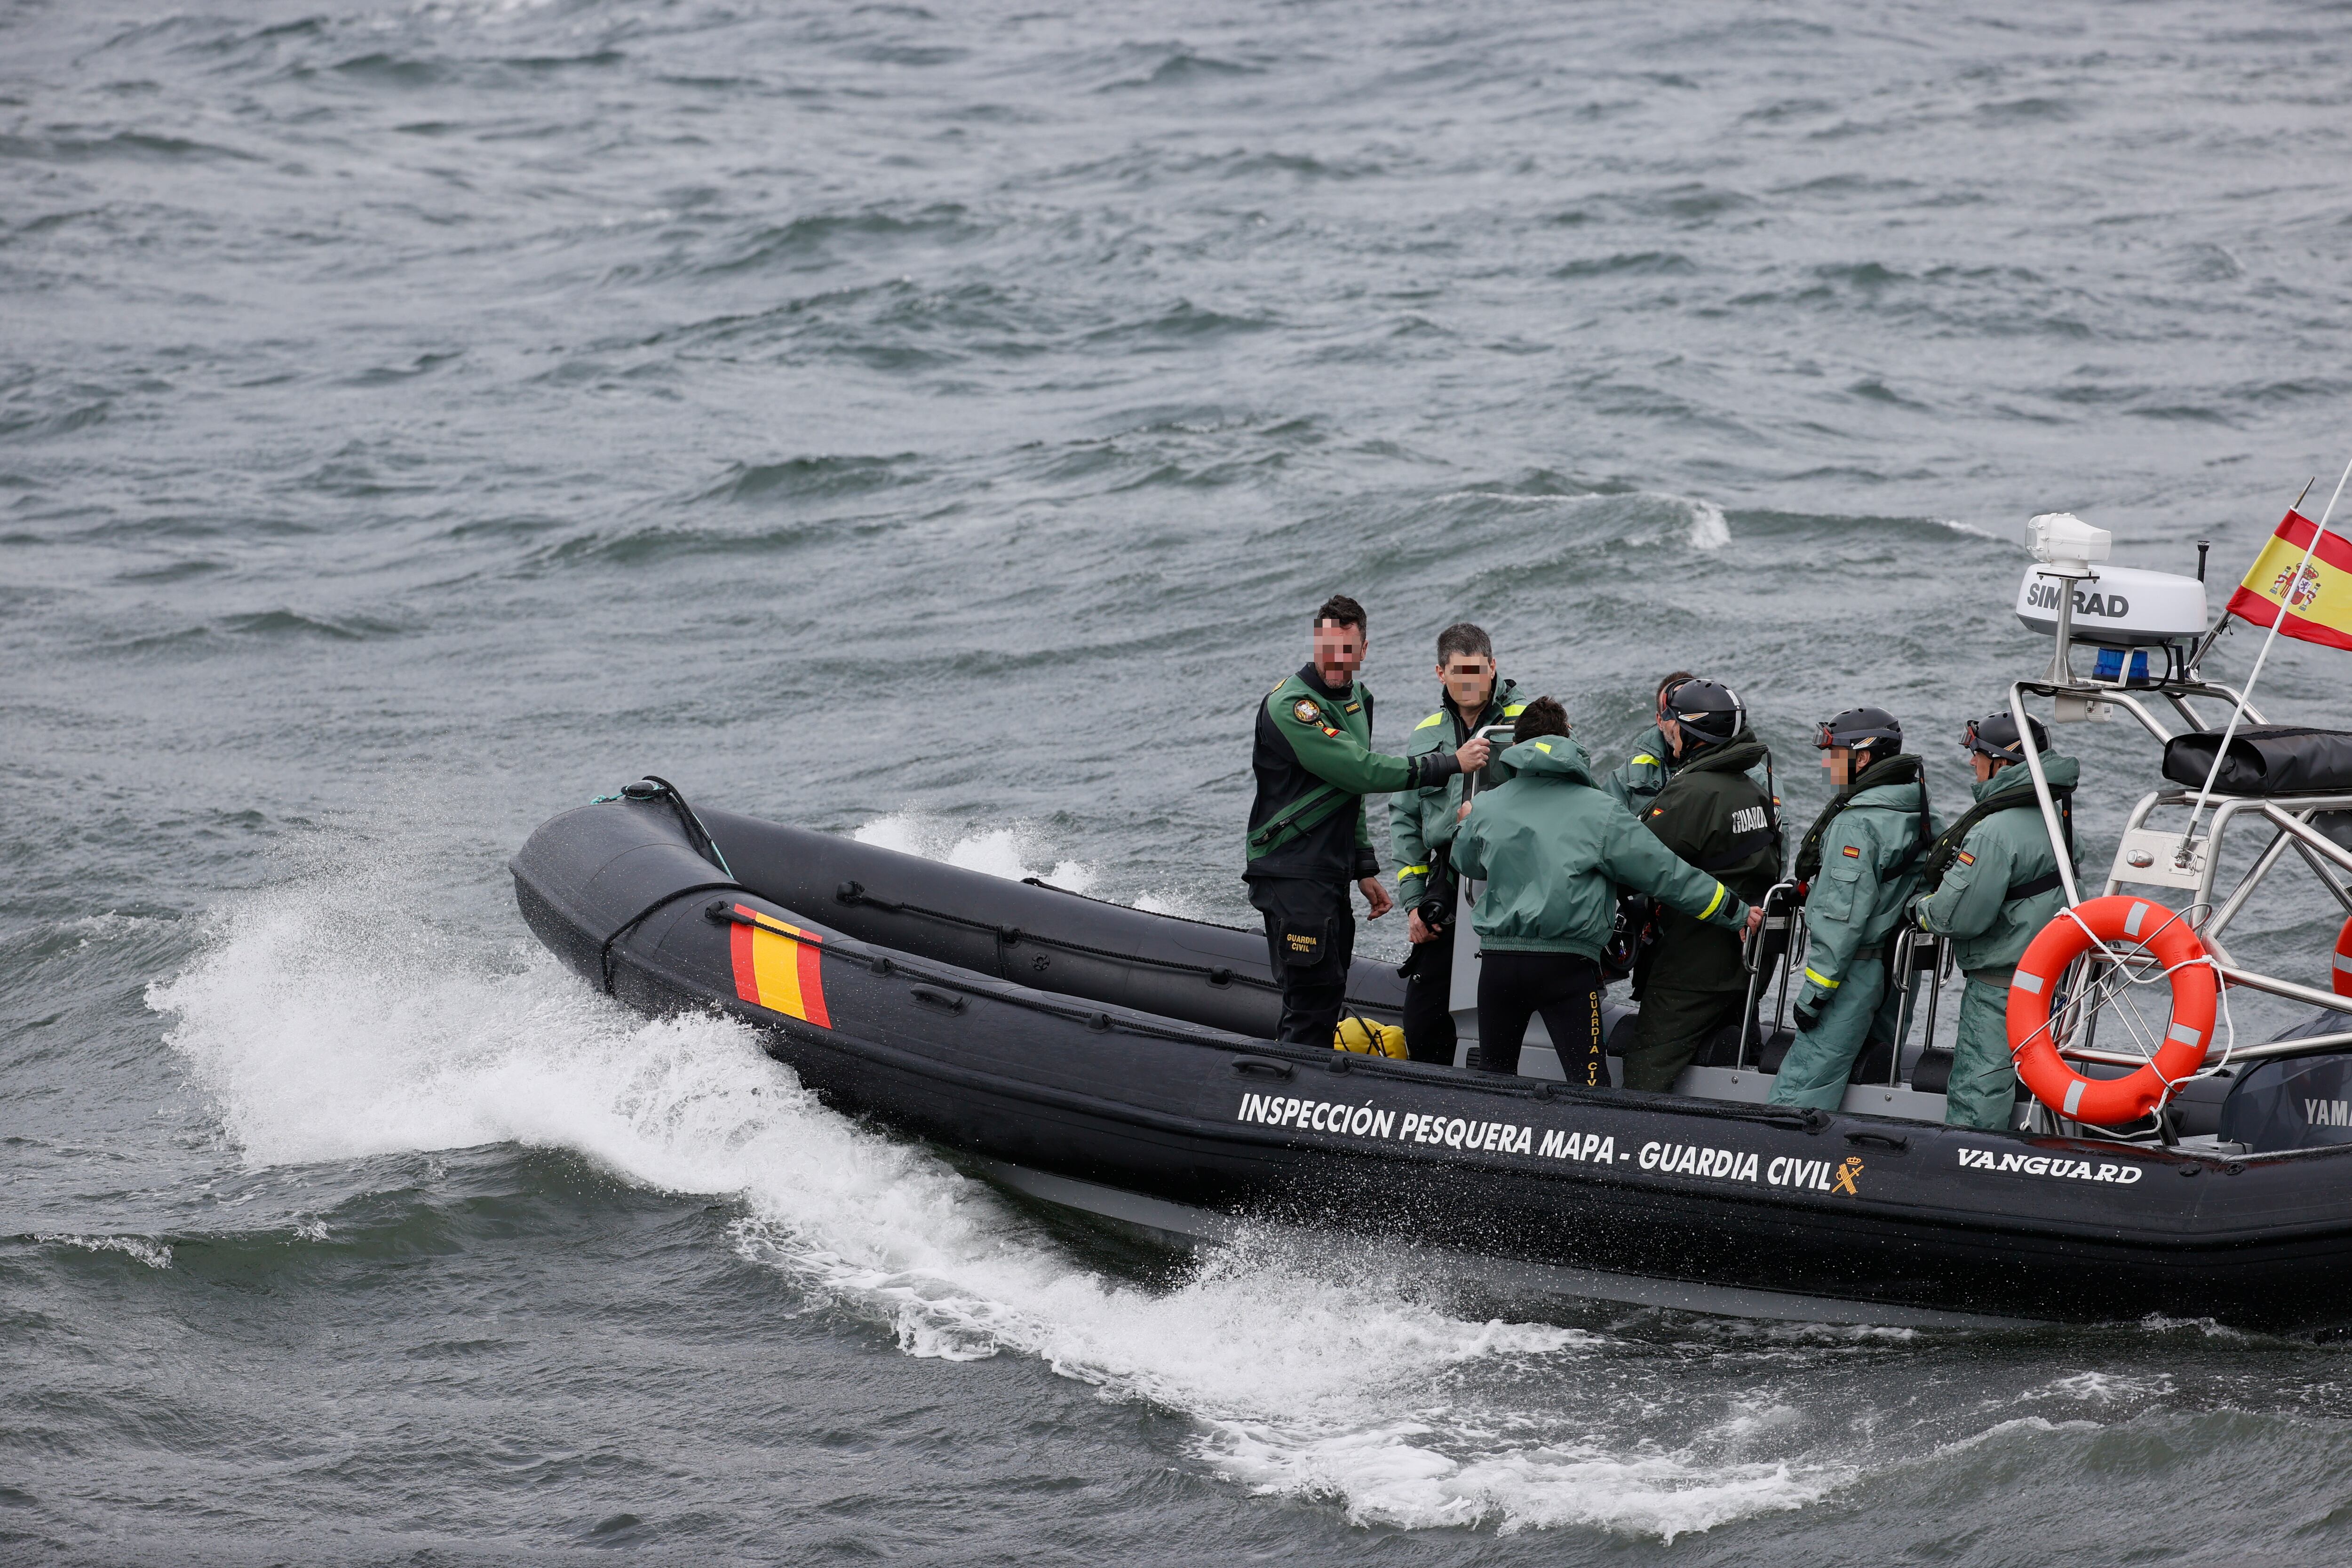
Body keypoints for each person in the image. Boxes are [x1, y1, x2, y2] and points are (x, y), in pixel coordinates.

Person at [1449, 697, 1761, 1085]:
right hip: (1566, 970)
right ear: (1570, 742)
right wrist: (1733, 910)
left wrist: (1466, 822)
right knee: (1590, 1085)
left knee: (1493, 1077)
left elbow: (1468, 863)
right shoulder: (1602, 811)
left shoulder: (1487, 806)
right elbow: (1668, 875)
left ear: (1515, 748)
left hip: (1498, 967)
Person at [1244, 595, 1491, 1046]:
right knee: (1310, 999)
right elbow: (1359, 769)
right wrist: (1448, 763)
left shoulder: (1359, 699)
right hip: (1291, 870)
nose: (1336, 660)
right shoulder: (1292, 706)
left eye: (1346, 649)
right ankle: (1297, 1103)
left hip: (1330, 871)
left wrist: (1363, 866)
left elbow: (1347, 792)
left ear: (1363, 650)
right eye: (1327, 648)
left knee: (1331, 987)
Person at [1913, 712, 2079, 1131]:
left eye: (1978, 753)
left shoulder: (1993, 832)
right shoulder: (2057, 819)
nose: (1972, 762)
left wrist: (1919, 908)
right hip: (2048, 980)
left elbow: (1958, 915)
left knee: (1979, 1092)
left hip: (2000, 987)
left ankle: (1966, 1172)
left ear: (2004, 764)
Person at [1617, 679, 1783, 1092]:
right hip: (1746, 964)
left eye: (1671, 721)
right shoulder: (1756, 793)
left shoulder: (1690, 792)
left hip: (1693, 968)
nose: (1665, 729)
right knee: (1732, 1064)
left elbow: (1633, 857)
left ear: (1693, 731)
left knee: (1645, 1069)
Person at [1767, 707, 1937, 1110]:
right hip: (1899, 975)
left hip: (1852, 975)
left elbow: (1840, 923)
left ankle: (1784, 1162)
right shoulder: (1923, 814)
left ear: (1862, 758)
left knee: (1802, 1089)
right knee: (1876, 1076)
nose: (1827, 765)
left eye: (1834, 754)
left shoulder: (1855, 825)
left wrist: (1813, 997)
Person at [1390, 622, 1528, 1064]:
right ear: (1440, 673)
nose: (1469, 681)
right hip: (1449, 880)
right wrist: (1414, 903)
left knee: (1503, 1004)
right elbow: (1406, 820)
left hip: (1515, 877)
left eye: (1477, 670)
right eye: (1458, 671)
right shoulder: (1425, 733)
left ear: (1493, 667)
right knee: (1423, 1019)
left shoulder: (1530, 722)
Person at [1605, 669, 1695, 813]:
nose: (1681, 722)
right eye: (1672, 713)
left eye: (1689, 712)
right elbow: (1607, 822)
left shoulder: (1730, 763)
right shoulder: (1628, 774)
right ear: (1660, 721)